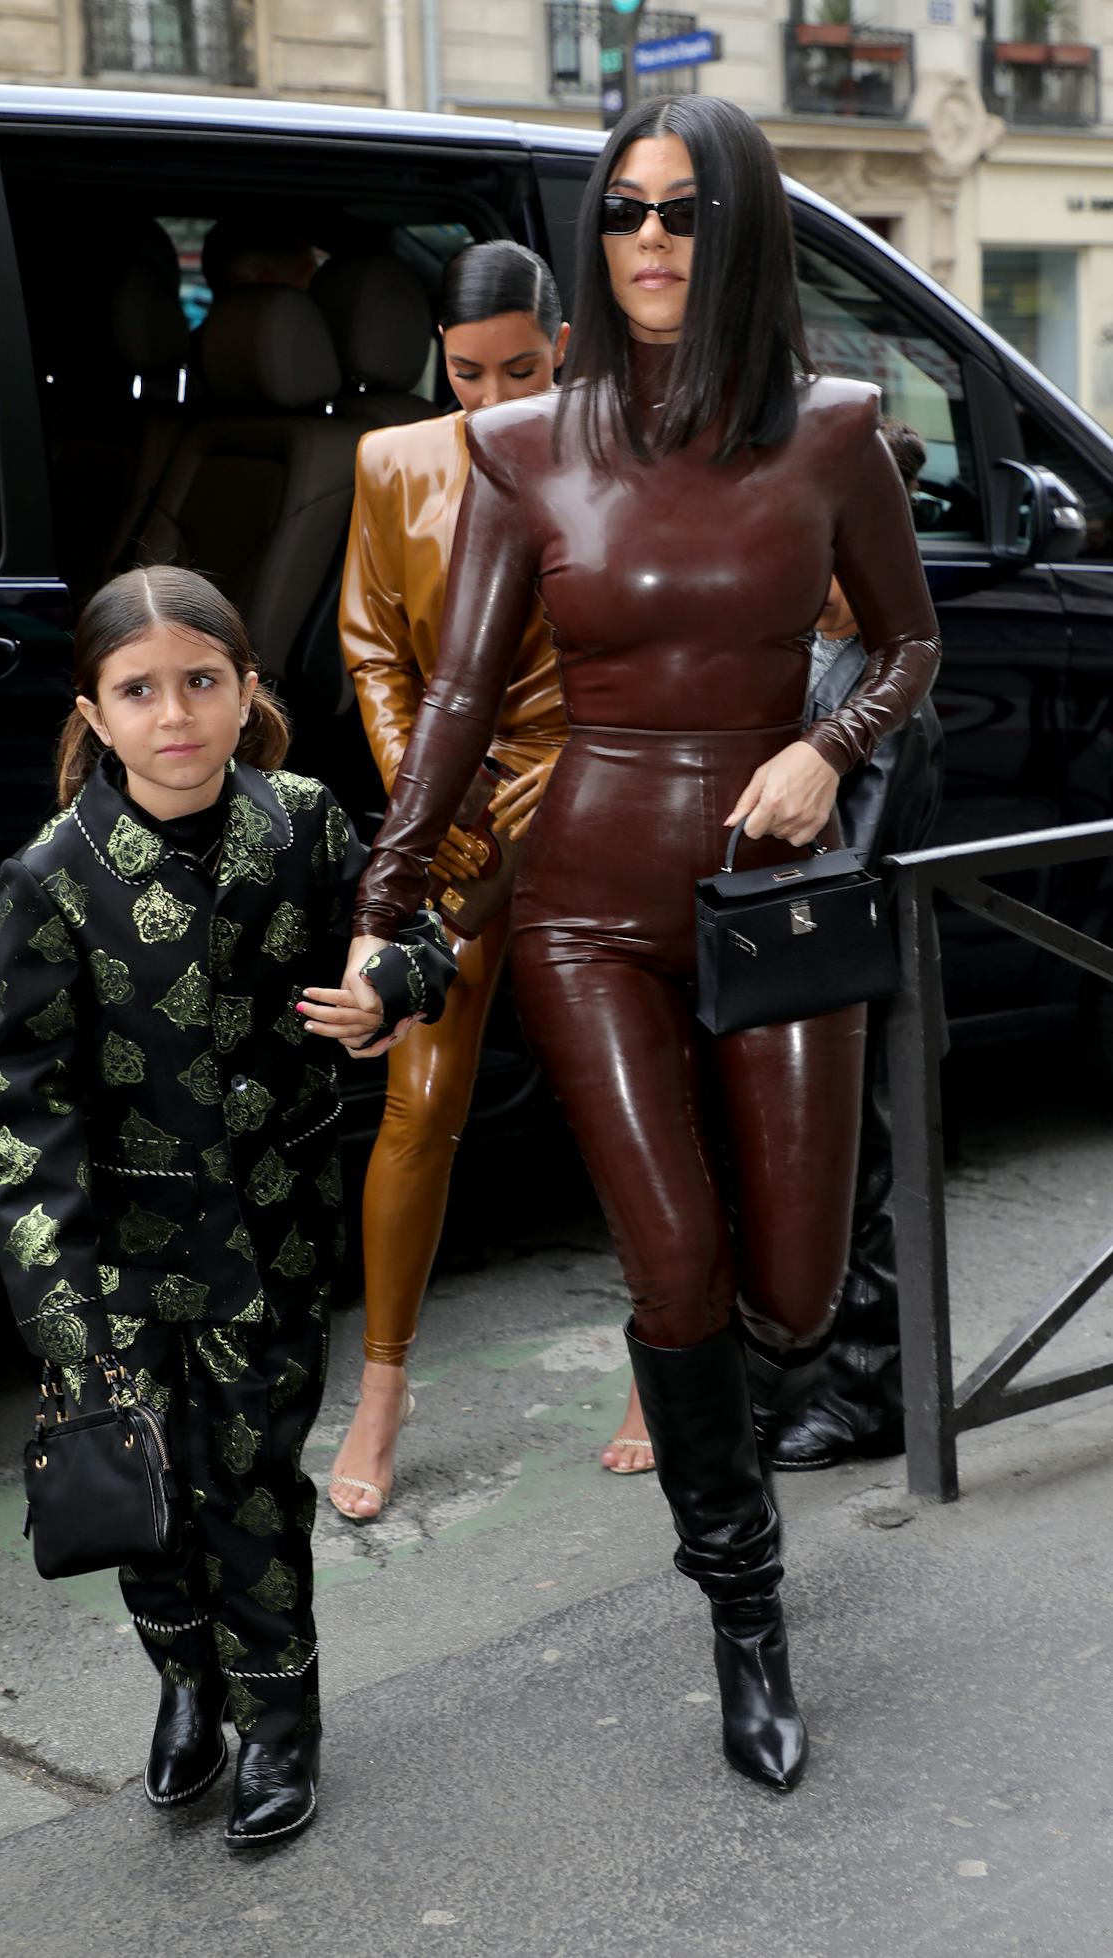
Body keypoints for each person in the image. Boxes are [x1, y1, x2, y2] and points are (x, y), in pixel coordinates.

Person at [318, 96, 940, 1793]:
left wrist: (829, 746)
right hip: (583, 901)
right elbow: (452, 699)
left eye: (684, 211)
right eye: (626, 213)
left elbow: (908, 641)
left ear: (736, 234)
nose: (653, 239)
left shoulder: (833, 430)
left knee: (796, 1297)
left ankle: (722, 1431)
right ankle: (746, 1612)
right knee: (673, 1265)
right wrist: (386, 918)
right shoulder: (527, 446)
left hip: (766, 895)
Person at [0, 567, 453, 1844]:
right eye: (140, 689)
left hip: (275, 1233)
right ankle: (187, 1682)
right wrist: (60, 1304)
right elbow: (22, 1105)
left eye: (202, 680)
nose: (174, 712)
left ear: (247, 693)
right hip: (120, 1258)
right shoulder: (54, 876)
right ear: (96, 709)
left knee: (250, 1479)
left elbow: (421, 926)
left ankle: (281, 1716)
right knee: (145, 1487)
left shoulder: (303, 825)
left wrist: (391, 980)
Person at [327, 241, 650, 1517]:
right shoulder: (390, 460)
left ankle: (663, 1350)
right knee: (419, 1101)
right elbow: (368, 645)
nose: (492, 394)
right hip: (447, 817)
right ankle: (381, 1386)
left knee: (628, 1089)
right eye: (466, 372)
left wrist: (562, 775)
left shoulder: (622, 451)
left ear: (561, 345)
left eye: (521, 366)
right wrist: (427, 792)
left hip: (585, 801)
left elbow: (644, 639)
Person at [774, 417, 946, 1470]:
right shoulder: (807, 649)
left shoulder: (887, 686)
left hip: (863, 963)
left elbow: (861, 848)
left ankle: (866, 1390)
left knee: (867, 1171)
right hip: (815, 954)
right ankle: (809, 1372)